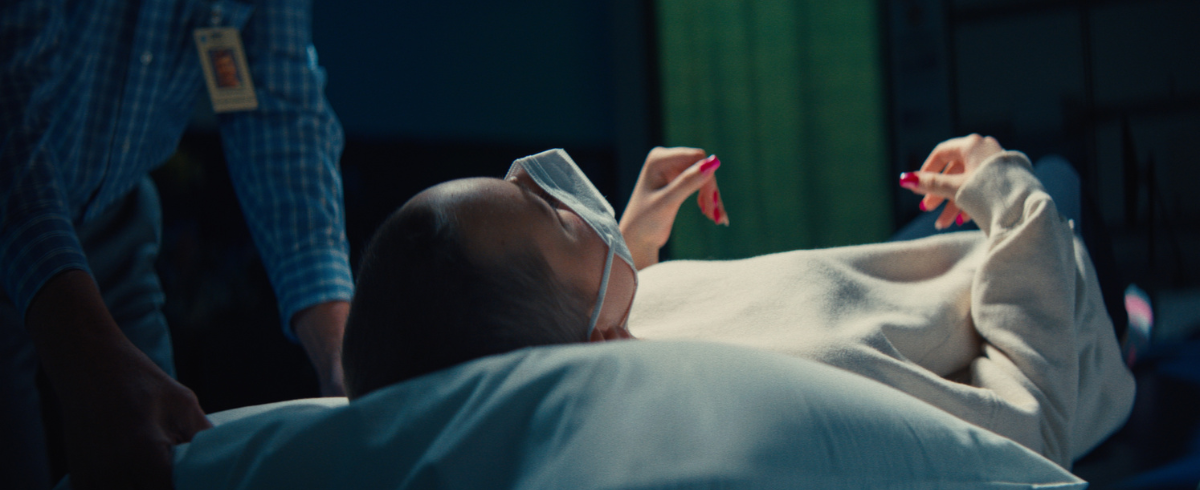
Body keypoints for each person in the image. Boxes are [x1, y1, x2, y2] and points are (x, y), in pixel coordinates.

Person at [340, 136, 1134, 469]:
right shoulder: (800, 391)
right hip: (1049, 297)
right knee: (1063, 174)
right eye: (551, 213)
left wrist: (637, 245)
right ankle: (1133, 324)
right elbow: (1034, 427)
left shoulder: (593, 339)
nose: (550, 183)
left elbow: (592, 331)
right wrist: (1012, 193)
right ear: (596, 343)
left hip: (928, 275)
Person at [1, 1, 353, 489]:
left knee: (163, 460)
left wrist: (342, 356)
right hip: (18, 200)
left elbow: (277, 106)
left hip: (113, 221)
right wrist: (82, 350)